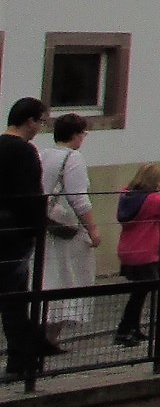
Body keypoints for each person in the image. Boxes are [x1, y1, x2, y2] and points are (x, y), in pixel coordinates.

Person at [39, 113, 100, 349]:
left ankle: (42, 335)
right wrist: (93, 229)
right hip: (66, 230)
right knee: (69, 278)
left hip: (45, 225)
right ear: (75, 135)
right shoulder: (73, 158)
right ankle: (49, 338)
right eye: (83, 134)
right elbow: (78, 199)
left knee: (46, 277)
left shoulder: (42, 154)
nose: (83, 138)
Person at [0, 98, 49, 385]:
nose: (39, 129)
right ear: (29, 120)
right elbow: (31, 197)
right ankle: (23, 359)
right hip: (15, 233)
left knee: (11, 297)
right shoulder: (24, 151)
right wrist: (37, 228)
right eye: (40, 122)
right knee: (15, 297)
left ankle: (27, 354)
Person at [112, 164, 160, 349]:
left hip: (129, 250)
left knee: (139, 291)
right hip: (146, 252)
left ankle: (133, 328)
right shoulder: (152, 200)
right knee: (150, 292)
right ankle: (124, 331)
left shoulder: (126, 194)